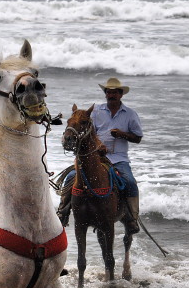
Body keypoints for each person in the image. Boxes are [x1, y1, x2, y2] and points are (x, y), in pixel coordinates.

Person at [57, 77, 143, 234]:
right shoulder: (96, 112)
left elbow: (138, 137)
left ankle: (131, 218)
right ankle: (63, 211)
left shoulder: (130, 114)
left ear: (121, 94)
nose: (111, 95)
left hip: (119, 159)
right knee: (71, 177)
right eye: (108, 92)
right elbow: (89, 133)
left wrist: (122, 134)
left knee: (129, 182)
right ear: (106, 94)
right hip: (94, 157)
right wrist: (98, 146)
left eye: (115, 93)